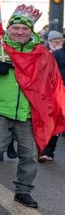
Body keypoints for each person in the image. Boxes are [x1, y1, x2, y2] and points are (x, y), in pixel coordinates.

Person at [0, 5, 65, 207]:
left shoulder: (43, 55)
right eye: (16, 28)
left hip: (29, 113)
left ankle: (23, 191)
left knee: (30, 156)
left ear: (31, 31)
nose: (20, 32)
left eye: (25, 29)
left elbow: (53, 84)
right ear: (9, 29)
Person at [40, 31, 65, 162]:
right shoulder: (56, 54)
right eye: (55, 39)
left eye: (59, 39)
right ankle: (47, 151)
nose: (57, 41)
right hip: (56, 93)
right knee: (55, 122)